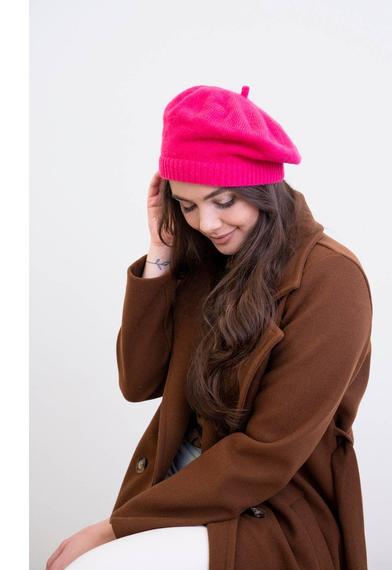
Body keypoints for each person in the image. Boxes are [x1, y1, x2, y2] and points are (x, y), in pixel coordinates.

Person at [46, 85, 373, 570]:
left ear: (262, 187)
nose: (207, 223)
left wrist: (114, 528)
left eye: (223, 201)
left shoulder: (333, 280)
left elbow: (266, 455)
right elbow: (138, 382)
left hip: (269, 509)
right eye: (188, 205)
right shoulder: (205, 260)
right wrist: (160, 253)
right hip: (178, 485)